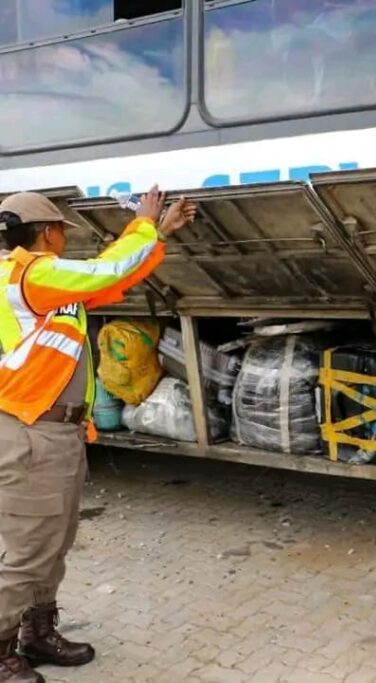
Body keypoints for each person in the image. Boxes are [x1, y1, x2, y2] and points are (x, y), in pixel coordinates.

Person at [0, 187, 195, 682]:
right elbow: (105, 270)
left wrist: (158, 235)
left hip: (52, 432)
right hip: (30, 432)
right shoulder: (30, 275)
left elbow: (112, 279)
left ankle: (36, 633)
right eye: (63, 230)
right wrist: (145, 223)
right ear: (46, 232)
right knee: (27, 553)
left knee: (53, 542)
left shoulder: (42, 282)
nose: (66, 238)